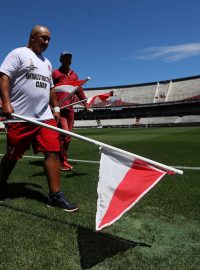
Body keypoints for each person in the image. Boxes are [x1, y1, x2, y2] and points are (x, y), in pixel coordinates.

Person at [0, 25, 78, 212]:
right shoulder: (18, 53)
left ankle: (55, 195)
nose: (46, 42)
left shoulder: (47, 63)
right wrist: (5, 103)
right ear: (32, 37)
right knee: (13, 155)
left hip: (44, 117)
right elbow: (3, 77)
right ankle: (1, 183)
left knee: (53, 151)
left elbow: (50, 88)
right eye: (43, 38)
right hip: (20, 116)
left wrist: (56, 107)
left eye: (49, 39)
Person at [52, 51, 89, 171]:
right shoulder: (55, 73)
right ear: (61, 60)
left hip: (70, 109)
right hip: (59, 109)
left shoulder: (74, 75)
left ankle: (59, 158)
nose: (67, 60)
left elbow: (79, 90)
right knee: (66, 134)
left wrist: (85, 103)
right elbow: (49, 90)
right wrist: (52, 106)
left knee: (67, 136)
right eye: (65, 58)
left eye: (69, 58)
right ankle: (62, 161)